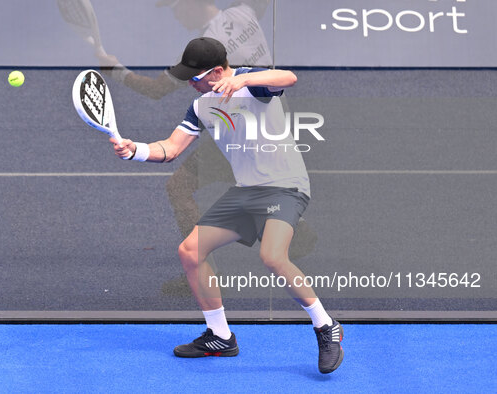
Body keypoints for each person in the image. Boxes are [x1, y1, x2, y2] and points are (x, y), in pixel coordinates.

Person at [109, 37, 343, 374]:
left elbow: (289, 77)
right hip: (246, 192)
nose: (190, 83)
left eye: (196, 77)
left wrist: (244, 78)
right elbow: (171, 149)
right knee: (190, 251)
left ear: (218, 71)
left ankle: (326, 327)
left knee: (273, 256)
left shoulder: (254, 87)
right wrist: (135, 150)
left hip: (284, 187)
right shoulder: (202, 105)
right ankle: (220, 335)